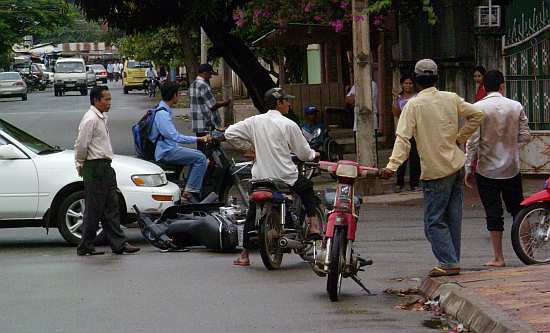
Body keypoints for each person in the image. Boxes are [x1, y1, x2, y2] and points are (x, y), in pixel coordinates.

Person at [379, 59, 484, 277]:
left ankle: (448, 261)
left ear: (416, 81)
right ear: (437, 78)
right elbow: (477, 115)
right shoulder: (451, 98)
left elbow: (403, 139)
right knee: (452, 217)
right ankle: (452, 259)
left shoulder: (413, 106)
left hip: (435, 171)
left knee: (433, 222)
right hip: (457, 165)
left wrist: (392, 166)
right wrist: (460, 138)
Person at [225, 87, 322, 267]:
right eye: (286, 101)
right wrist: (313, 155)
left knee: (253, 212)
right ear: (279, 103)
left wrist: (248, 149)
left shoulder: (254, 121)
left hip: (260, 177)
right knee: (307, 188)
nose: (289, 103)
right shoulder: (288, 124)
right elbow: (303, 153)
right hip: (285, 176)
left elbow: (229, 133)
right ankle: (314, 225)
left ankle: (245, 255)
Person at [465, 70, 531, 268]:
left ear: (484, 87)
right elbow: (525, 136)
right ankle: (529, 251)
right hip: (511, 168)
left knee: (493, 213)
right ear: (502, 86)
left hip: (487, 170)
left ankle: (498, 257)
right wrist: (510, 141)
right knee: (519, 209)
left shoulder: (477, 108)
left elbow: (472, 141)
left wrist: (468, 168)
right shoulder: (515, 106)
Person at [74, 86, 140, 256]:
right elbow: (81, 145)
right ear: (96, 100)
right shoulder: (90, 119)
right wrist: (80, 164)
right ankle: (85, 245)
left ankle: (119, 244)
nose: (109, 103)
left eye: (110, 99)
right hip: (95, 167)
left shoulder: (101, 118)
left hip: (105, 167)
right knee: (94, 209)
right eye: (106, 99)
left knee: (112, 207)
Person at [149, 81, 209, 203]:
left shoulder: (162, 110)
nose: (180, 96)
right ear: (174, 95)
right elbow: (175, 137)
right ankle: (190, 191)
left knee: (195, 156)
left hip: (168, 148)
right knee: (201, 158)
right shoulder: (162, 114)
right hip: (166, 151)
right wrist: (198, 138)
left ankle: (188, 185)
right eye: (178, 94)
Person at [190, 63, 231, 152]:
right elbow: (212, 105)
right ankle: (210, 165)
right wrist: (225, 103)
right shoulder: (203, 85)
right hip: (206, 122)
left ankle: (203, 164)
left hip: (198, 122)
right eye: (210, 74)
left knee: (201, 148)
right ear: (205, 73)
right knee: (210, 149)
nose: (210, 77)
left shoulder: (193, 84)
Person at [392, 73, 420, 192]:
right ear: (402, 85)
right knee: (401, 157)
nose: (408, 86)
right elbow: (396, 113)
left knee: (415, 157)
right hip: (403, 130)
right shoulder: (398, 98)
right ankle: (399, 183)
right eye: (406, 83)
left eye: (410, 83)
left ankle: (414, 183)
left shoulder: (417, 97)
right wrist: (394, 100)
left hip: (415, 131)